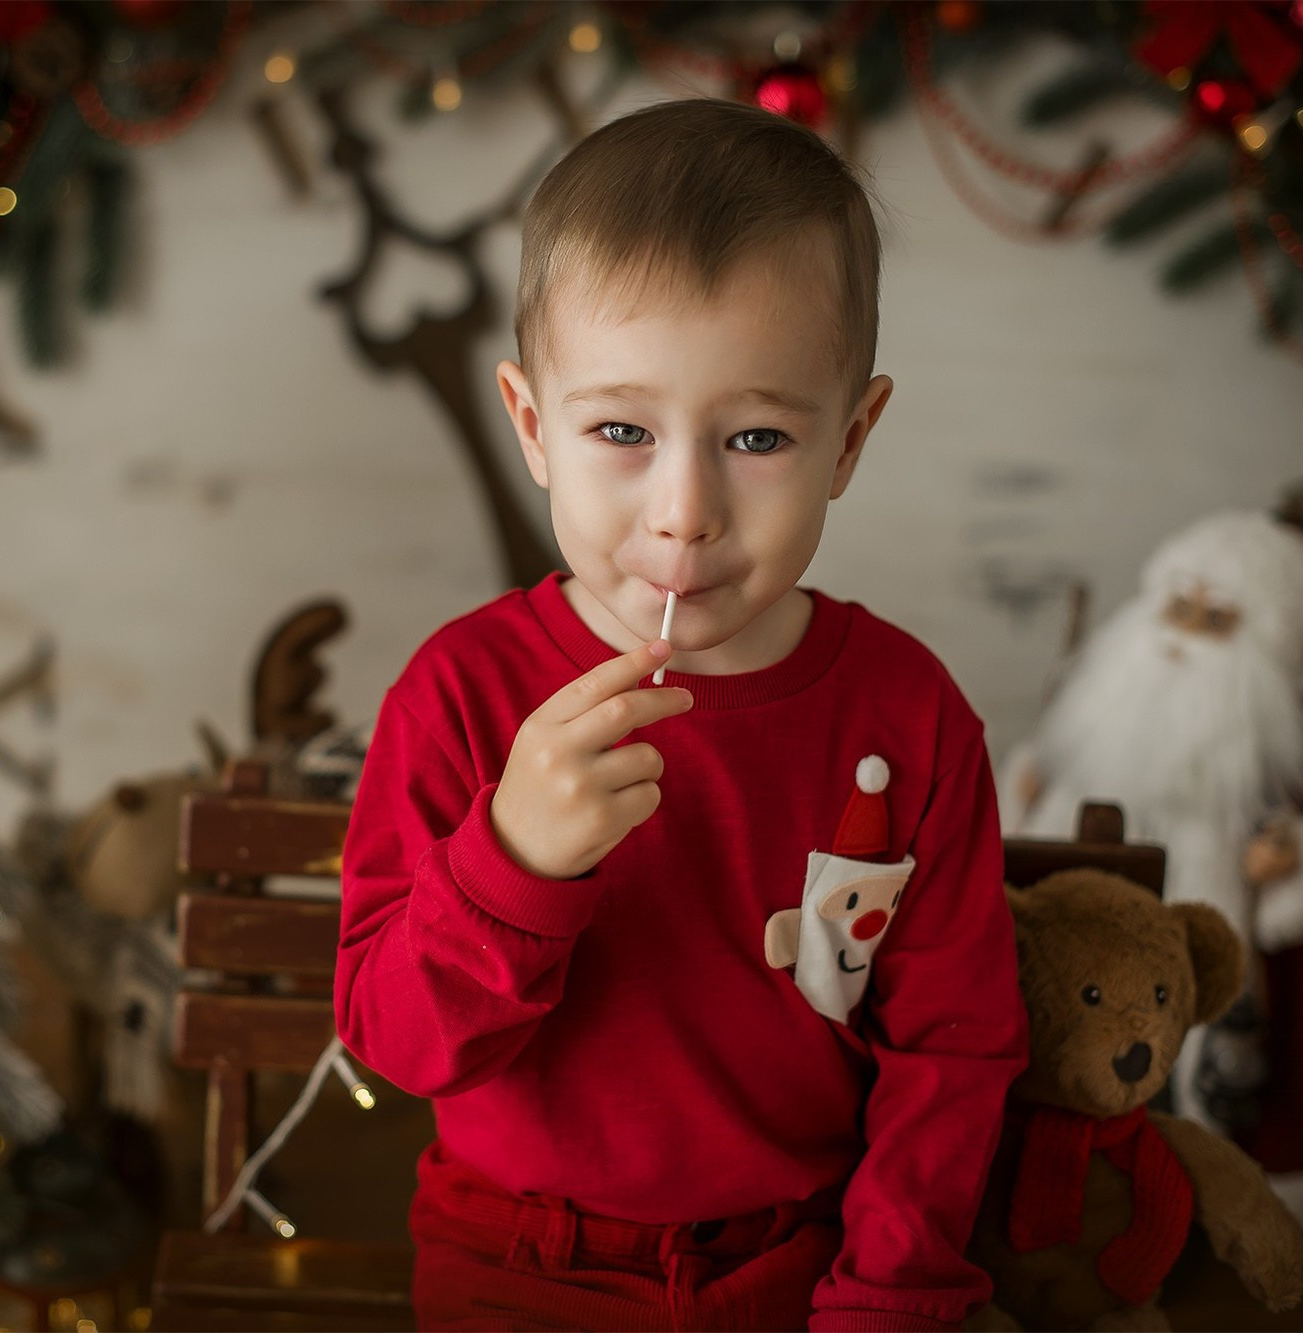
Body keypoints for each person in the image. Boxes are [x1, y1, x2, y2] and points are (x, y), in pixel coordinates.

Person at [336, 98, 1027, 1332]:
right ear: (532, 425)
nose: (683, 509)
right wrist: (511, 864)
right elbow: (397, 1044)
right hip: (516, 1263)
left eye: (755, 435)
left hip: (799, 1262)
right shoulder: (460, 695)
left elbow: (950, 1055)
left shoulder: (906, 714)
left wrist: (886, 1295)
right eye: (620, 431)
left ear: (850, 439)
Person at [1001, 505, 1303, 1230]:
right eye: (1177, 606)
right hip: (1066, 940)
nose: (1180, 636)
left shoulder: (1286, 748)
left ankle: (1158, 1216)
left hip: (1193, 974)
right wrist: (1022, 793)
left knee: (1169, 1106)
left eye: (1215, 621)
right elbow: (1033, 791)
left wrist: (1299, 857)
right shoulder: (1093, 699)